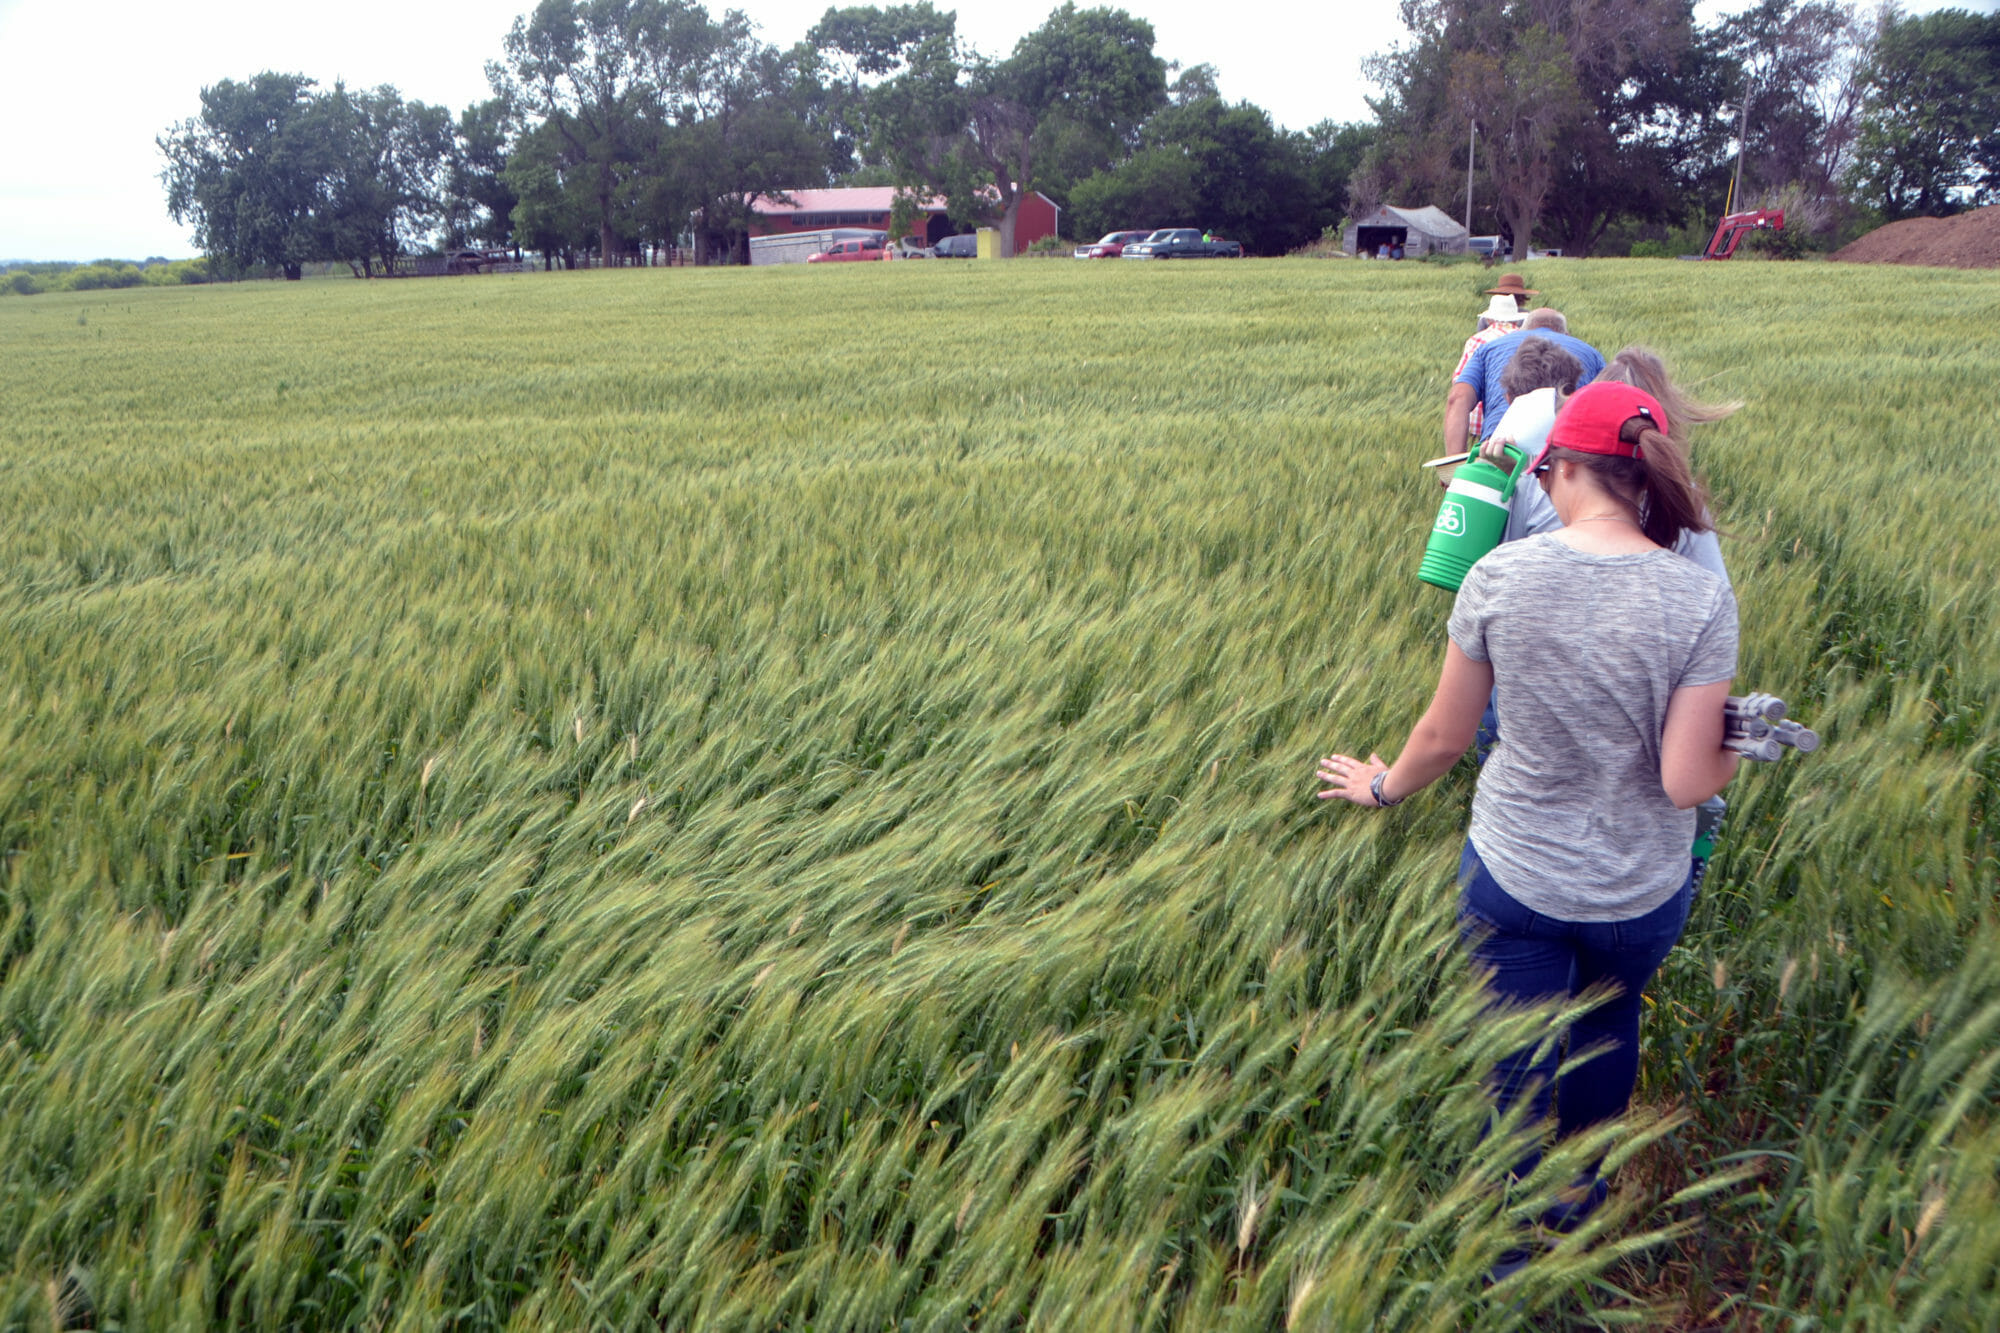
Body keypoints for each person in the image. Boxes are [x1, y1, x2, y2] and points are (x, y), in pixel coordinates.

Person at [1319, 381, 1740, 1265]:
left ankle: (1507, 1257)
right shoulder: (1699, 598)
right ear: (1645, 480)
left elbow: (1442, 737)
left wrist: (1381, 789)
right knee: (1609, 1022)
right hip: (1639, 887)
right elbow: (1683, 782)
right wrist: (1736, 743)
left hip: (1515, 876)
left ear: (1557, 470)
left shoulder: (1498, 576)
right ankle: (1577, 1204)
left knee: (1514, 1058)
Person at [1444, 309, 1605, 460]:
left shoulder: (1487, 349)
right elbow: (1607, 408)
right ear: (1567, 335)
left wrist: (1454, 466)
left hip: (1499, 448)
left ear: (1521, 330)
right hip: (1566, 454)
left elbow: (1457, 399)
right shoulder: (1592, 354)